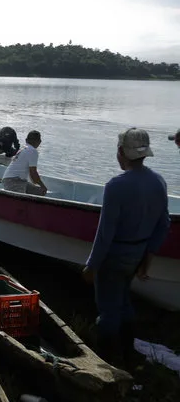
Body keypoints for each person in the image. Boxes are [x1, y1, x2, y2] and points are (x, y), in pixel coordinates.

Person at [82, 128, 170, 368]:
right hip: (137, 253)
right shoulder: (158, 181)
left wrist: (92, 265)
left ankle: (107, 362)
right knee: (123, 301)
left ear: (121, 152)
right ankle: (129, 353)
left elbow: (105, 233)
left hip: (114, 256)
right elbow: (164, 224)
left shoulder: (115, 185)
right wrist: (147, 258)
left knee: (108, 309)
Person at [1, 130, 47, 196]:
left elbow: (32, 175)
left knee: (40, 192)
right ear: (39, 141)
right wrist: (43, 186)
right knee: (20, 201)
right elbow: (33, 173)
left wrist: (37, 184)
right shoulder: (32, 151)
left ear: (26, 140)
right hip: (13, 181)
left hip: (19, 181)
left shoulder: (24, 148)